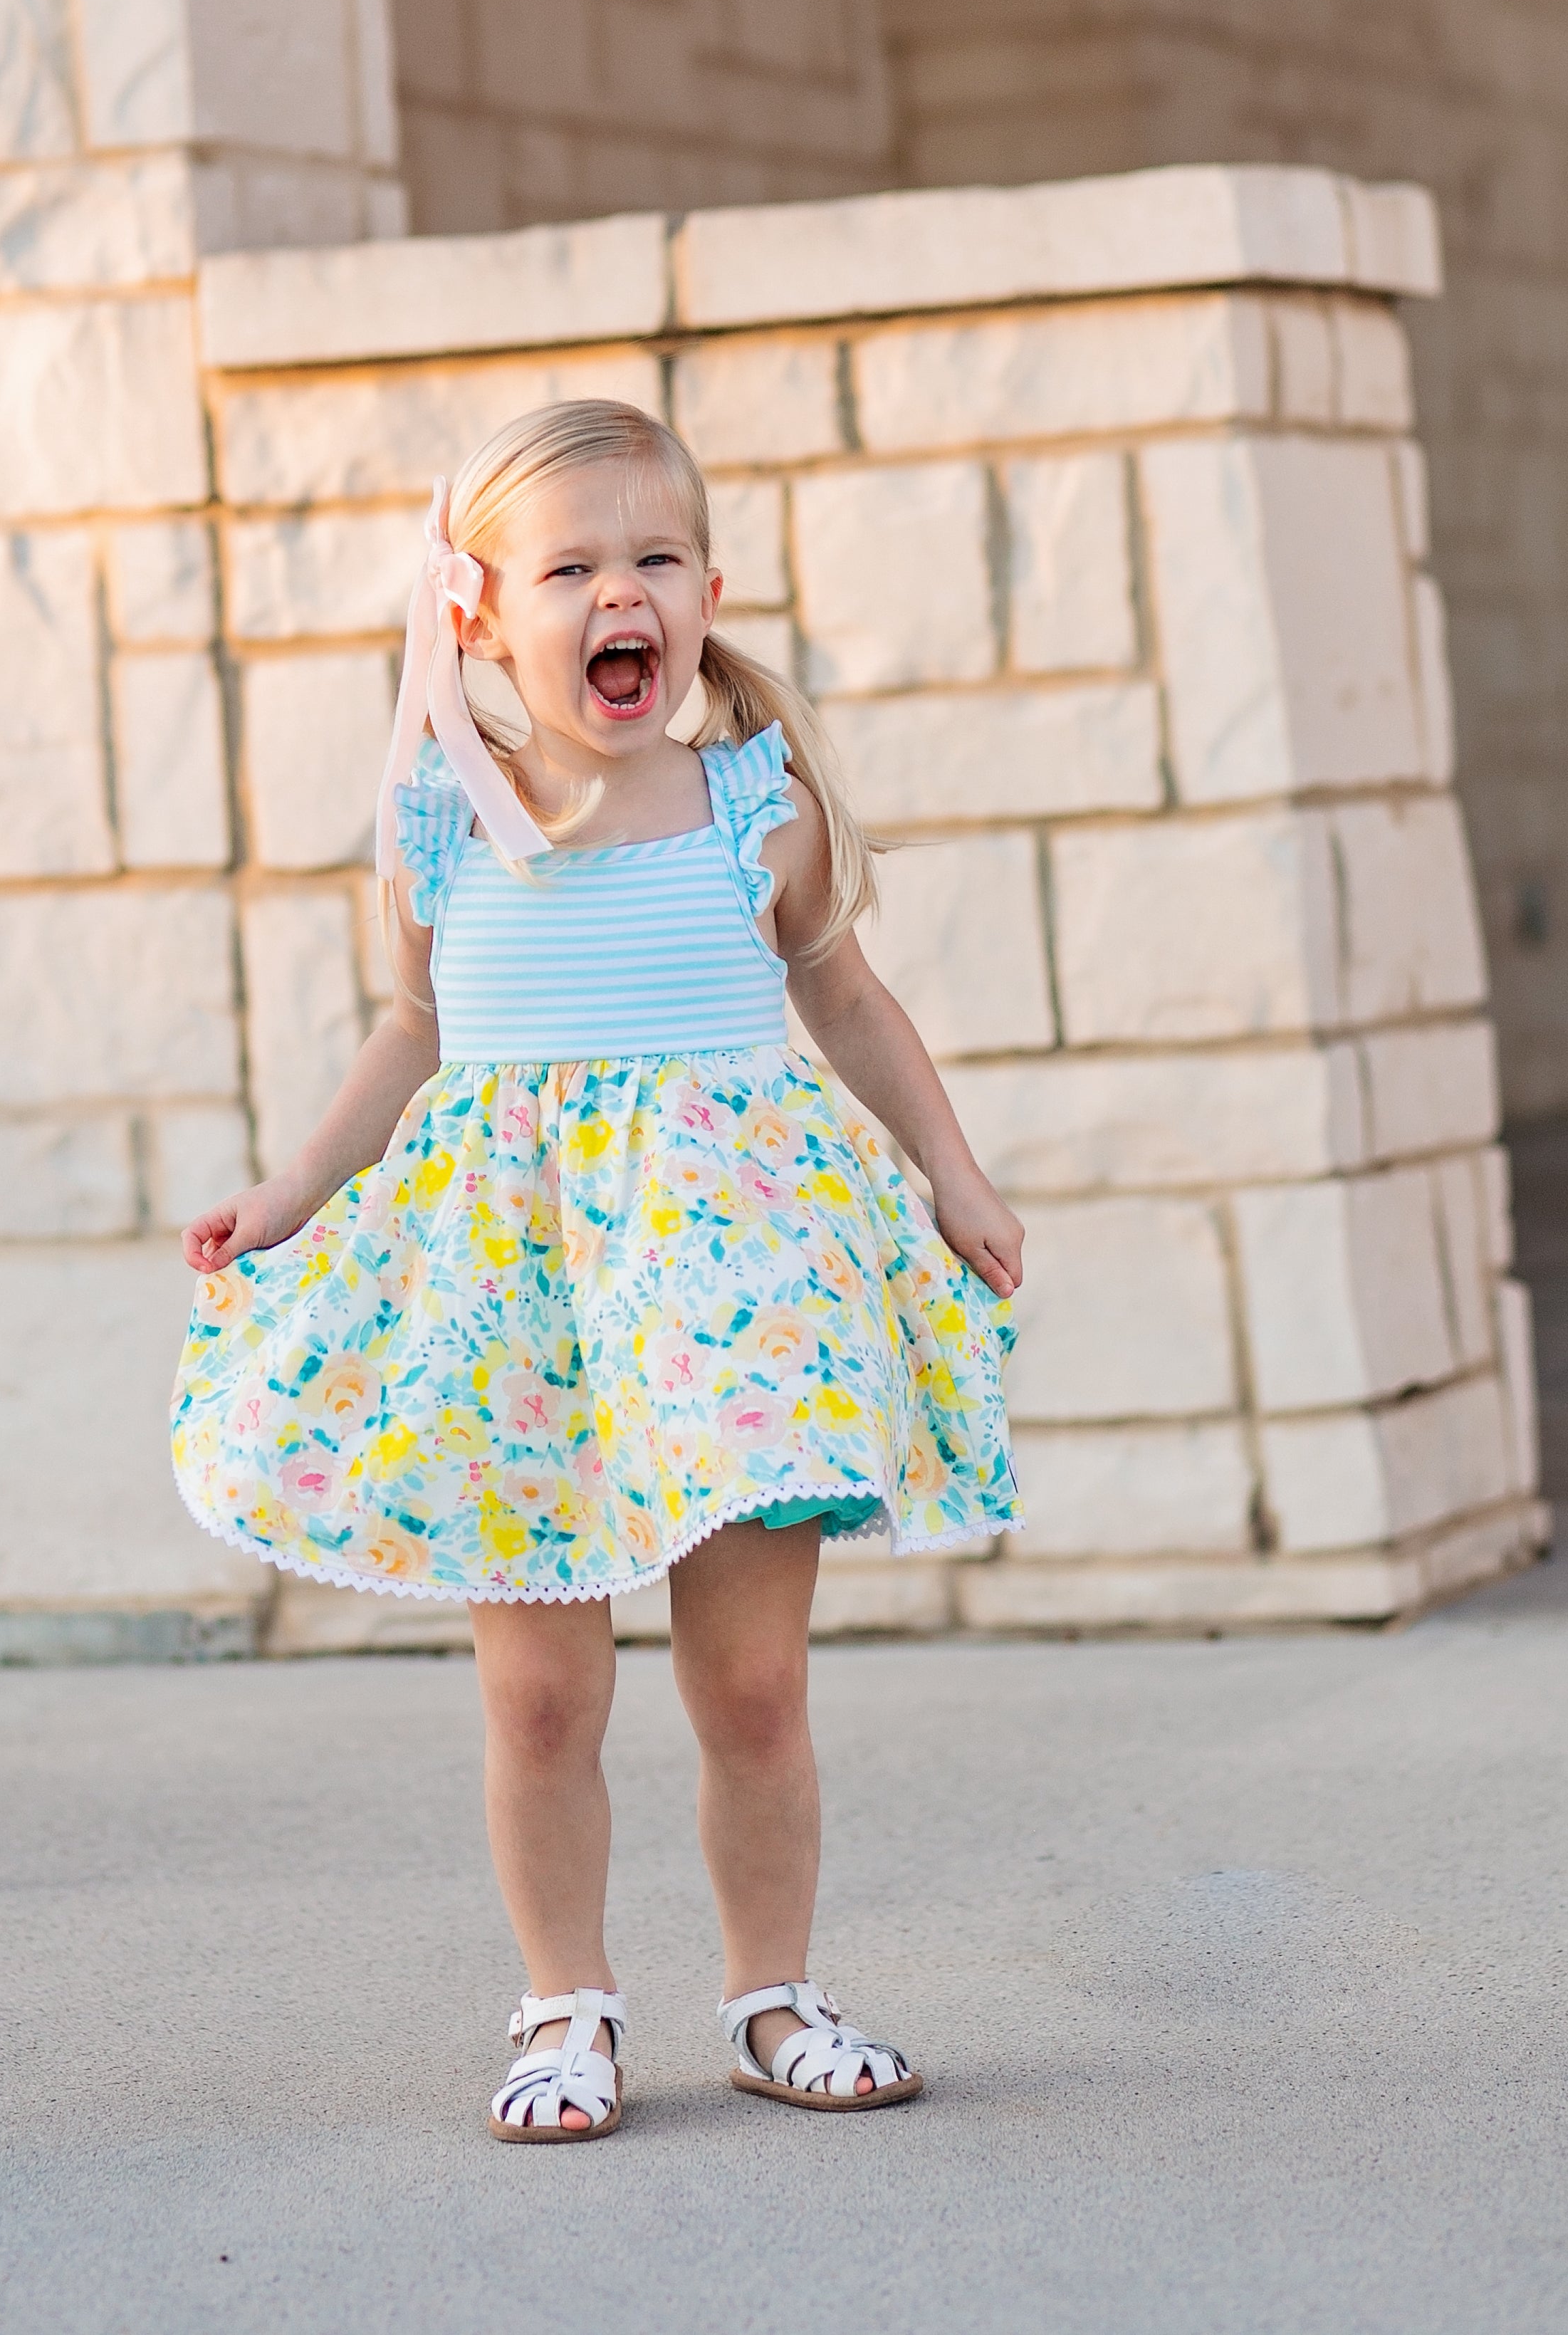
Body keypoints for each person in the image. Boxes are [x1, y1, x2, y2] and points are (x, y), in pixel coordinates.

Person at [173, 399, 1023, 2141]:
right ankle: (566, 2003)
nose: (616, 593)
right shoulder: (436, 819)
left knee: (752, 1684)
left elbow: (846, 1000)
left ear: (703, 593)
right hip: (517, 1300)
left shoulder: (748, 807)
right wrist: (286, 1189)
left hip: (732, 1279)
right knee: (542, 1694)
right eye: (569, 565)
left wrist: (952, 1170)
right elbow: (409, 1029)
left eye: (650, 561)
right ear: (477, 609)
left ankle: (770, 1992)